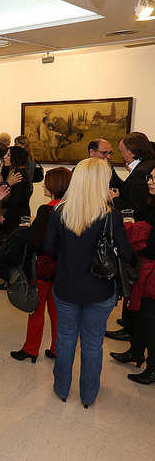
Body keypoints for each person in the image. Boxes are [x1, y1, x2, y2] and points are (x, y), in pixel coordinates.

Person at [44, 158, 136, 407]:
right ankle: (88, 395)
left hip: (66, 287)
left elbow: (49, 248)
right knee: (93, 343)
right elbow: (126, 254)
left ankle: (62, 389)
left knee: (65, 339)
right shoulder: (110, 215)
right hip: (100, 289)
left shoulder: (59, 212)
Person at [10, 167, 72, 363]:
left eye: (46, 181)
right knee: (57, 311)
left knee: (36, 310)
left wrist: (27, 231)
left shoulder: (46, 210)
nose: (44, 184)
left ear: (54, 185)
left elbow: (37, 242)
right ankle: (57, 349)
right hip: (64, 270)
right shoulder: (72, 210)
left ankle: (31, 349)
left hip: (43, 268)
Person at [118, 164, 155, 385]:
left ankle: (152, 368)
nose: (149, 182)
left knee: (150, 321)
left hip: (151, 274)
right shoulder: (151, 203)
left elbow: (151, 249)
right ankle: (136, 352)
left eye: (153, 179)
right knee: (142, 317)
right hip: (146, 270)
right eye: (149, 177)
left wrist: (135, 234)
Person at [112, 132, 155, 221]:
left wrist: (115, 199)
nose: (121, 155)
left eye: (121, 151)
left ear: (130, 152)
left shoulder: (140, 173)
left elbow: (136, 211)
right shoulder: (149, 163)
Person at [0, 146, 33, 236]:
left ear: (15, 158)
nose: (4, 157)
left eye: (8, 155)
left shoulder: (18, 174)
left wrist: (4, 215)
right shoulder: (15, 171)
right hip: (17, 214)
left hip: (15, 217)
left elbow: (16, 199)